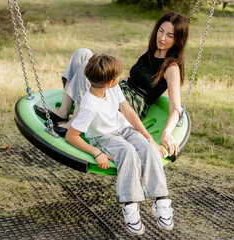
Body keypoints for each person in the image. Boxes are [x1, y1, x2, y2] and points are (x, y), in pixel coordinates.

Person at [34, 11, 189, 157]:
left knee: (84, 69)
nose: (162, 38)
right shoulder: (146, 51)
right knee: (82, 54)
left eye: (169, 35)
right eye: (160, 31)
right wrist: (107, 79)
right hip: (118, 92)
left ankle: (73, 123)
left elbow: (176, 108)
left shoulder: (171, 68)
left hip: (128, 108)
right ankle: (63, 111)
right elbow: (128, 79)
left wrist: (167, 132)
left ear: (177, 40)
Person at [65, 53, 174, 235]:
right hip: (104, 137)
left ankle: (160, 201)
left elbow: (128, 112)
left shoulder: (113, 89)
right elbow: (71, 135)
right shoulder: (90, 105)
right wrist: (96, 152)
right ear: (110, 81)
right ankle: (130, 207)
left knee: (148, 149)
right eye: (117, 77)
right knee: (128, 152)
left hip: (124, 129)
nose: (120, 79)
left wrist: (148, 138)